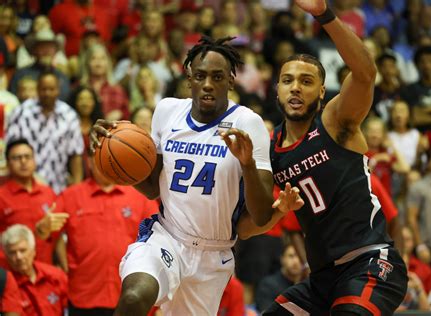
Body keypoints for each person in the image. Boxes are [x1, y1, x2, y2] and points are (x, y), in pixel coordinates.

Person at [90, 36, 301, 316]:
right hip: (167, 236)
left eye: (217, 76)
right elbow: (153, 187)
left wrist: (248, 164)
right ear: (189, 79)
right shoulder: (167, 111)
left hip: (213, 255)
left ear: (230, 81)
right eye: (200, 76)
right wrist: (112, 155)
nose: (208, 84)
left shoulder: (248, 123)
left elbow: (261, 215)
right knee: (134, 296)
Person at [266, 0, 408, 314]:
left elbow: (366, 73)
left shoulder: (335, 120)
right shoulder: (271, 147)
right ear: (276, 89)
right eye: (288, 80)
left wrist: (324, 15)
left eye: (306, 82)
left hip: (370, 260)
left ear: (321, 91)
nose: (296, 89)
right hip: (322, 278)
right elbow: (258, 221)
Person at [39, 151, 158, 316]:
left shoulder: (140, 196)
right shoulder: (70, 196)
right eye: (98, 159)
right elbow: (46, 236)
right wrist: (42, 229)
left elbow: (156, 243)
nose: (103, 164)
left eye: (107, 159)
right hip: (84, 295)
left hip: (131, 293)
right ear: (89, 162)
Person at [6, 70, 84, 193]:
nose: (47, 93)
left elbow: (76, 154)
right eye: (43, 89)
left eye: (51, 89)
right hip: (26, 188)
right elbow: (11, 151)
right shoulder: (21, 113)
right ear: (37, 89)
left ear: (58, 90)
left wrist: (77, 187)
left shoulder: (69, 115)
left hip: (59, 186)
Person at [0, 139, 68, 264]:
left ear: (34, 160)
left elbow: (57, 236)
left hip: (44, 270)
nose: (23, 161)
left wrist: (64, 266)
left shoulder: (47, 192)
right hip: (12, 271)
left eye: (27, 157)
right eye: (17, 158)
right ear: (8, 164)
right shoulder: (2, 196)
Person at [1, 224, 68, 316]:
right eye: (12, 253)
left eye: (23, 250)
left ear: (33, 251)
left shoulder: (55, 276)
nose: (19, 257)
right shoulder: (4, 285)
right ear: (6, 256)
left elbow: (68, 307)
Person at [255, 243, 303, 313]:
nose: (296, 261)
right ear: (282, 259)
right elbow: (266, 312)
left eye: (300, 256)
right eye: (291, 256)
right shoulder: (268, 285)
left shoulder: (308, 284)